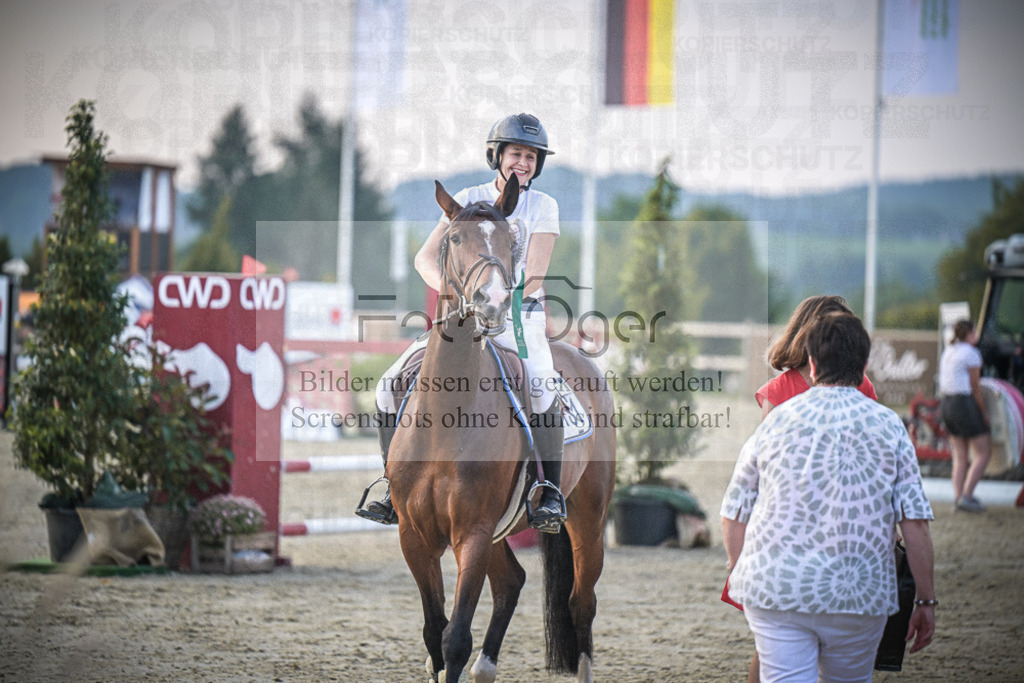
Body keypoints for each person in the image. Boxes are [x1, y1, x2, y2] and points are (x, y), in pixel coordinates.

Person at [359, 113, 567, 532]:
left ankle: (549, 491)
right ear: (498, 155)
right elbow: (424, 258)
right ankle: (391, 484)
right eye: (515, 153)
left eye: (530, 156)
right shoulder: (468, 196)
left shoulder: (544, 206)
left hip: (518, 315)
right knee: (388, 384)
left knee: (542, 384)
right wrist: (456, 294)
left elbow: (537, 274)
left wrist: (496, 301)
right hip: (460, 315)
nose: (522, 163)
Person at [721, 312, 936, 683]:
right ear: (865, 365)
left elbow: (735, 510)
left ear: (813, 362)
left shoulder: (775, 421)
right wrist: (925, 600)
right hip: (858, 593)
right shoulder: (891, 428)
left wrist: (739, 569)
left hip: (775, 587)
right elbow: (914, 524)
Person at [727, 295, 879, 683]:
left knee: (776, 645)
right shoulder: (850, 387)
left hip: (800, 527)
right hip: (827, 526)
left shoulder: (788, 389)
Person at [938, 319, 991, 512]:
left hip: (946, 404)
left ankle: (958, 498)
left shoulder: (948, 351)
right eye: (974, 331)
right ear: (969, 334)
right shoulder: (971, 353)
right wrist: (984, 412)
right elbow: (975, 387)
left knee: (960, 455)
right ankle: (967, 496)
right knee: (984, 452)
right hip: (963, 404)